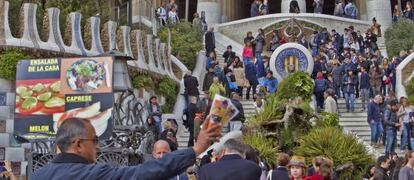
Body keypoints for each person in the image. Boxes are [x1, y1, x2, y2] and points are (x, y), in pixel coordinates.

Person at [31, 117, 222, 180]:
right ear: (78, 144)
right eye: (94, 140)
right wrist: (195, 150)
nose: (98, 146)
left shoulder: (37, 176)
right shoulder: (91, 174)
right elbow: (146, 171)